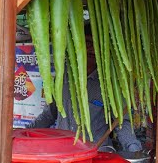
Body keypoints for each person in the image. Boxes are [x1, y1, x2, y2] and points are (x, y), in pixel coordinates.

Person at [27, 24, 143, 153]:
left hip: (95, 152)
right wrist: (25, 132)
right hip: (63, 151)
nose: (92, 49)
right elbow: (49, 115)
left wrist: (134, 148)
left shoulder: (110, 85)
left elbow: (121, 123)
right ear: (76, 46)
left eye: (96, 45)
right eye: (87, 43)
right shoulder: (62, 78)